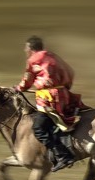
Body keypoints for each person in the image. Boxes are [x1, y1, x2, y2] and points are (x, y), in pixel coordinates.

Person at [14, 36, 83, 172]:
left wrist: (17, 88)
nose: (24, 50)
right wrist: (63, 87)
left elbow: (27, 80)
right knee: (51, 124)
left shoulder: (33, 60)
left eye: (26, 47)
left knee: (39, 129)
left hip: (49, 99)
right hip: (63, 95)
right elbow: (70, 72)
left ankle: (64, 156)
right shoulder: (54, 56)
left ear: (30, 48)